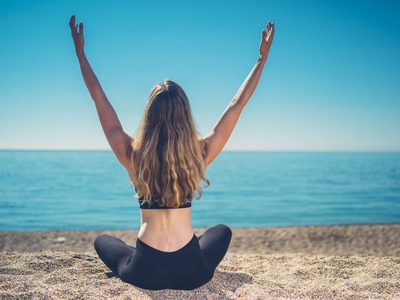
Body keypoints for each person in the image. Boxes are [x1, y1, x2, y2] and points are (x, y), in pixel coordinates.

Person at [69, 15, 275, 290]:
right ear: (185, 117)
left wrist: (81, 54)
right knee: (222, 231)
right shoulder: (199, 153)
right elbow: (238, 104)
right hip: (192, 272)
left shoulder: (133, 154)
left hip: (143, 271)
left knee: (103, 241)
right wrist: (261, 60)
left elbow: (100, 98)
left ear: (149, 116)